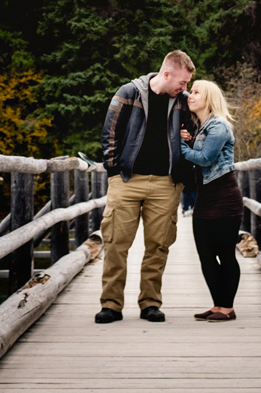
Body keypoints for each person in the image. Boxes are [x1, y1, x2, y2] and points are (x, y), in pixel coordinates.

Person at [95, 49, 196, 323]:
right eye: (182, 82)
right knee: (116, 243)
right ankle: (111, 305)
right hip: (127, 181)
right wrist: (114, 171)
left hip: (166, 183)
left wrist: (189, 140)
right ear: (166, 73)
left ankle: (150, 303)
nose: (184, 88)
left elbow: (198, 134)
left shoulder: (185, 102)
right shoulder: (129, 92)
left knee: (158, 246)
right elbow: (110, 132)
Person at [178, 78, 243, 321]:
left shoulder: (219, 127)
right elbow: (198, 153)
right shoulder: (202, 127)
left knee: (225, 253)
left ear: (209, 99)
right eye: (190, 91)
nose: (190, 96)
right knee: (205, 254)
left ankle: (227, 307)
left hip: (225, 198)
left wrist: (180, 145)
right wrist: (188, 140)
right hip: (205, 198)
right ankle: (217, 305)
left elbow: (204, 158)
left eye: (196, 92)